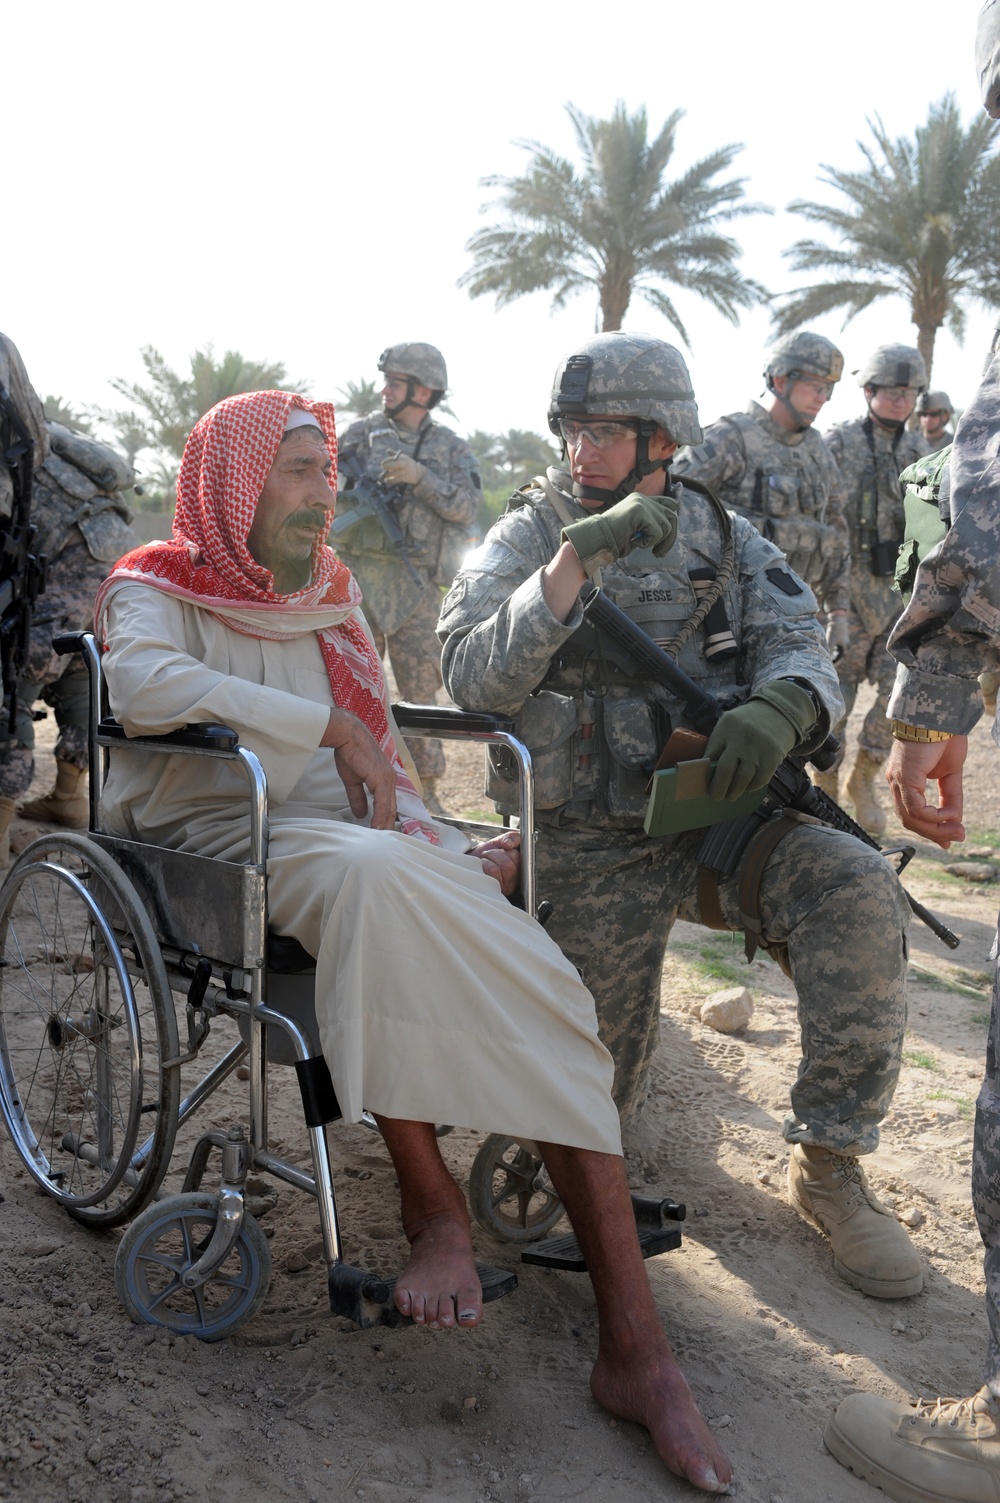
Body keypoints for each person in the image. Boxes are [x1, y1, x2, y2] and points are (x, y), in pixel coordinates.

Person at [96, 388, 734, 1497]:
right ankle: (434, 1215)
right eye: (299, 468)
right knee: (392, 877)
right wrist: (326, 725)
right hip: (224, 838)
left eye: (325, 469)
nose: (322, 488)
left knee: (527, 963)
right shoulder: (157, 583)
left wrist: (441, 832)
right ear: (236, 483)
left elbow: (385, 756)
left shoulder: (331, 593)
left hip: (354, 840)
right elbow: (140, 687)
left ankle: (638, 1350)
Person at [439, 331, 921, 1304]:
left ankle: (828, 1160)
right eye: (574, 428)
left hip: (711, 822)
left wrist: (782, 707)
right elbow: (471, 676)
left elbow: (803, 646)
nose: (585, 449)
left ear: (664, 438)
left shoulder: (725, 537)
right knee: (593, 1101)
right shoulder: (530, 537)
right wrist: (574, 564)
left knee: (854, 886)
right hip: (582, 835)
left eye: (610, 431)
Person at [0, 333, 137, 861]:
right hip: (114, 571)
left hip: (62, 570)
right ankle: (66, 800)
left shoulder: (21, 455)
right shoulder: (56, 450)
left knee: (13, 683)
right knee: (81, 674)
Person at [334, 344, 481, 811]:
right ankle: (353, 787)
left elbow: (465, 508)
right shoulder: (357, 438)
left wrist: (420, 478)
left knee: (422, 692)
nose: (384, 390)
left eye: (395, 383)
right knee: (354, 688)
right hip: (359, 584)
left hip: (417, 587)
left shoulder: (451, 447)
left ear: (422, 391)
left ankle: (429, 793)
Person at [672, 329, 849, 634]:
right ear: (780, 380)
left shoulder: (819, 451)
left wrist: (839, 614)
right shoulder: (731, 438)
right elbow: (666, 504)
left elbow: (835, 532)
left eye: (829, 389)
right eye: (814, 386)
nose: (822, 398)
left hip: (798, 618)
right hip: (727, 618)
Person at [822, 346, 929, 834]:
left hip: (896, 601)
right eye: (891, 391)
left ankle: (862, 780)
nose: (900, 400)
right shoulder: (838, 443)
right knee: (833, 702)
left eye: (908, 392)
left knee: (895, 698)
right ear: (869, 392)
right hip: (841, 597)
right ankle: (824, 784)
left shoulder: (920, 454)